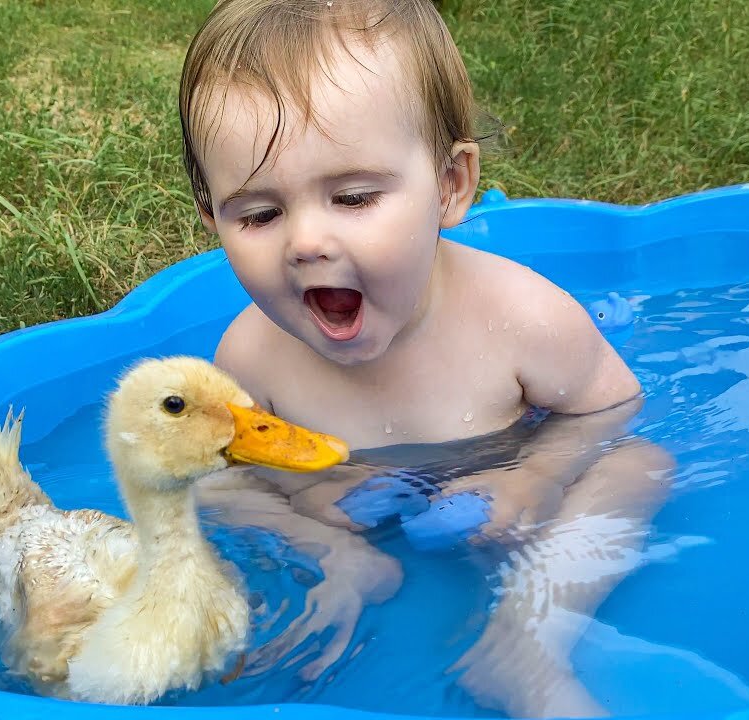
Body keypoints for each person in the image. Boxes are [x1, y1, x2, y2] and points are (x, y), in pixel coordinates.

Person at [178, 1, 674, 715]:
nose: (305, 242)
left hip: (505, 473)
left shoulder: (522, 317)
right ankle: (351, 570)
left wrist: (537, 473)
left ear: (450, 186)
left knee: (641, 465)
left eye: (352, 197)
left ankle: (526, 637)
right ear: (213, 218)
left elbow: (613, 408)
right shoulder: (251, 354)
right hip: (356, 520)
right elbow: (232, 478)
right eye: (258, 214)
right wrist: (312, 523)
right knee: (200, 482)